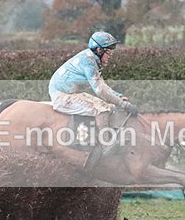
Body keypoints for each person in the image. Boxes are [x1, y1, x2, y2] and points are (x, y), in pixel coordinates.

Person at [48, 31, 139, 171]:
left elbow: (102, 86)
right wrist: (123, 104)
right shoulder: (89, 61)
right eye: (109, 53)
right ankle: (106, 145)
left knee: (108, 105)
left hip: (69, 92)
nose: (110, 56)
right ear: (99, 50)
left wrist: (118, 96)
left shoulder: (91, 59)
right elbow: (100, 91)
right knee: (102, 108)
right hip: (61, 96)